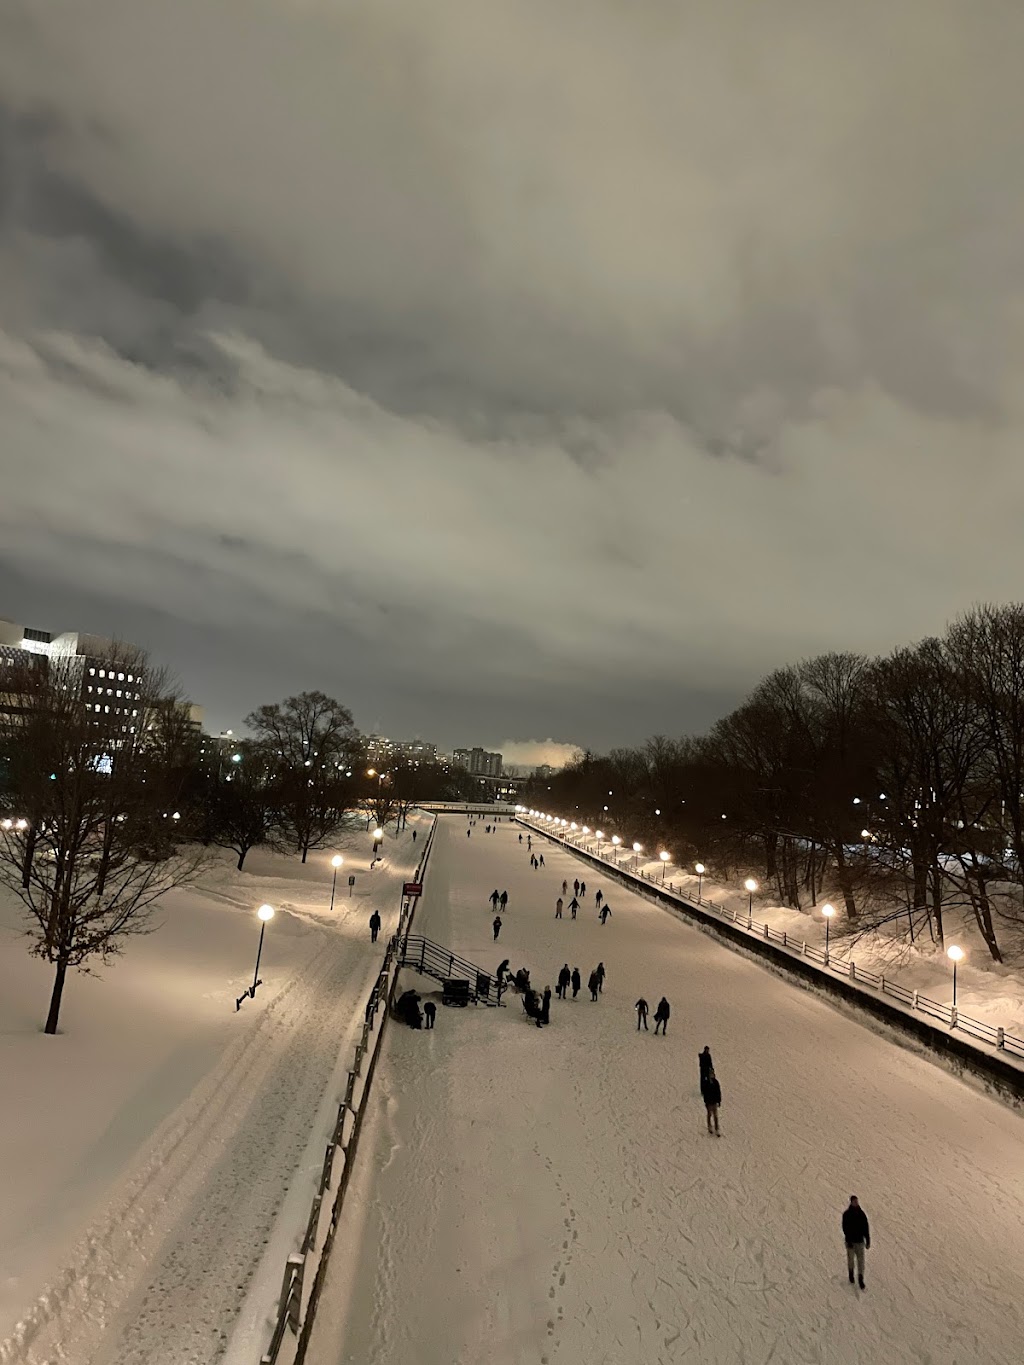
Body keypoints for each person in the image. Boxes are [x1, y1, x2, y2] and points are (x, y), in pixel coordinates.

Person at [842, 1197, 870, 1289]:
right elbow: (845, 1228)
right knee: (851, 1260)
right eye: (854, 1201)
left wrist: (868, 1239)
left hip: (860, 1241)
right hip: (851, 1242)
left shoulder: (861, 1214)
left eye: (857, 1201)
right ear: (851, 1202)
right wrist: (848, 1240)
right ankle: (851, 1273)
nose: (856, 1203)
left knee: (861, 1261)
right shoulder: (847, 1214)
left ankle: (860, 1278)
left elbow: (866, 1227)